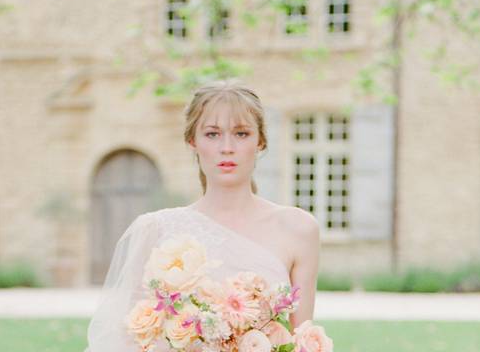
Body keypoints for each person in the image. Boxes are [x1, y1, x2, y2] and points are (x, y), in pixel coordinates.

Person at [85, 80, 321, 351]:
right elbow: (130, 340)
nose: (227, 147)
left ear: (261, 142)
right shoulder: (155, 230)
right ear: (192, 141)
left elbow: (302, 341)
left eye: (241, 133)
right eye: (212, 134)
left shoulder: (298, 229)